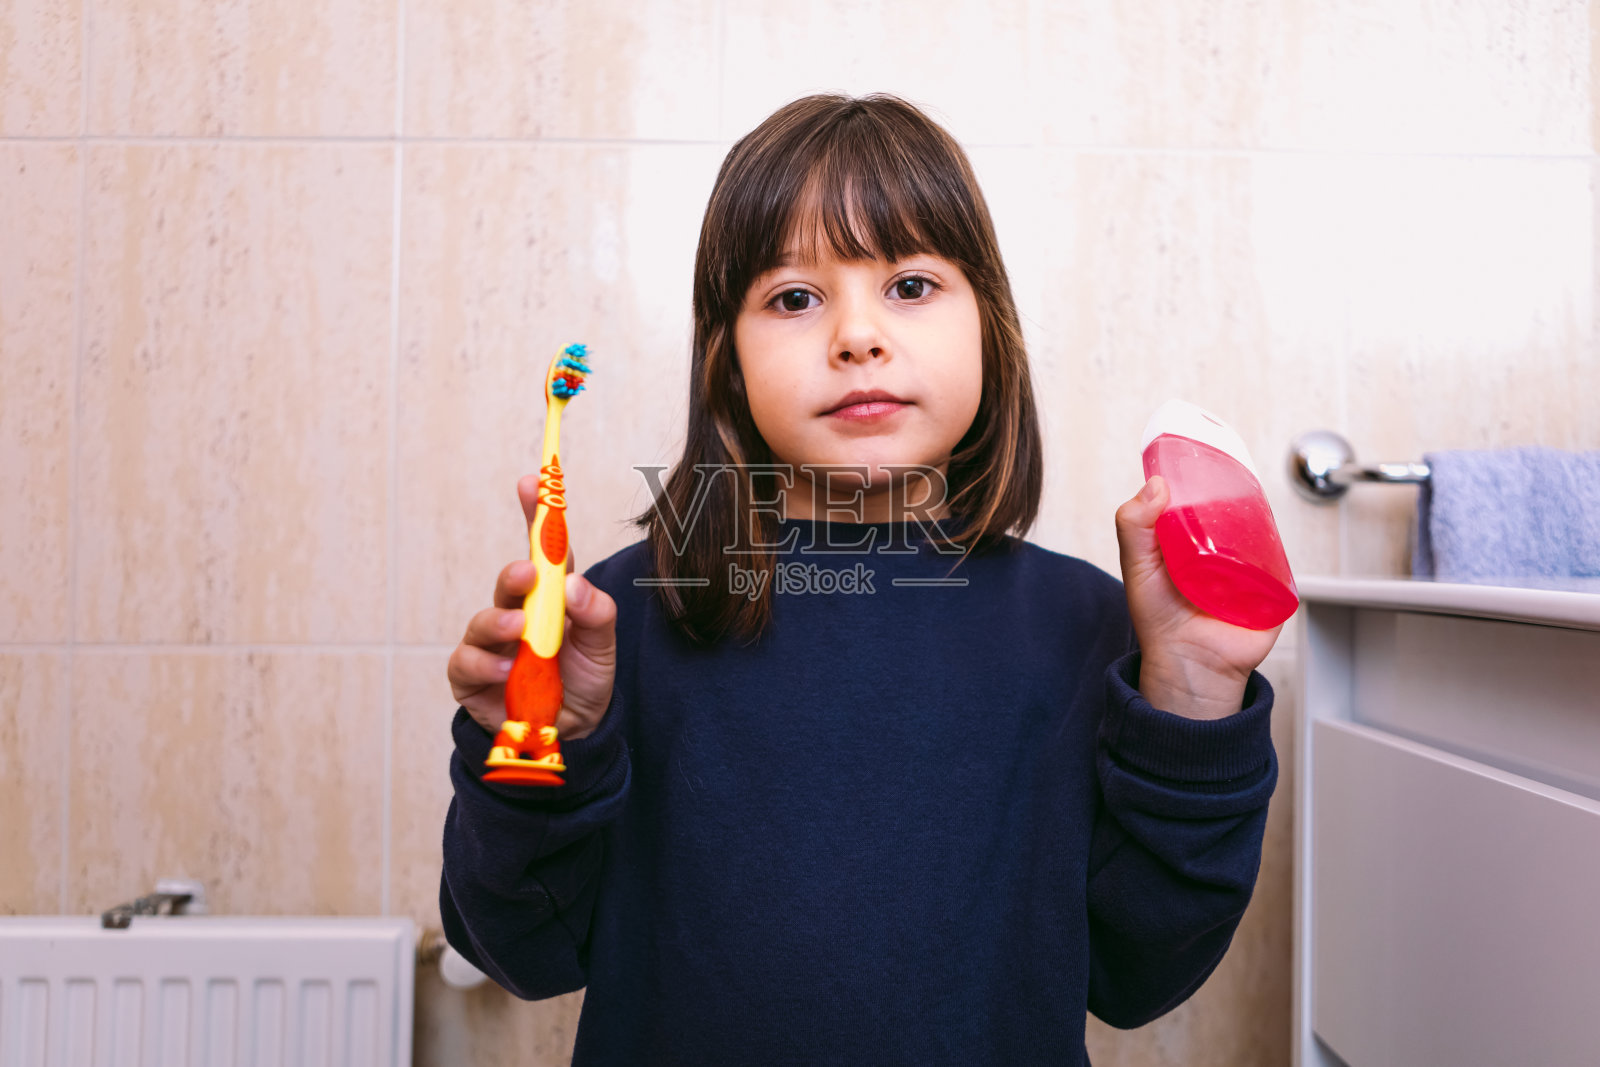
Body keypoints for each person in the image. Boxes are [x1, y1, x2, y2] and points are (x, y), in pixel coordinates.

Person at [440, 93, 1281, 1066]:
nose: (857, 335)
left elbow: (1139, 975)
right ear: (726, 362)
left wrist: (1189, 693)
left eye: (911, 284)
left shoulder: (1087, 625)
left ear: (990, 330)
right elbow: (523, 950)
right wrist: (538, 746)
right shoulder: (615, 623)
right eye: (794, 297)